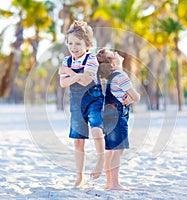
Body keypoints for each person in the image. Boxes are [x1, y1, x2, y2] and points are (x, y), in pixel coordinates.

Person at [58, 20, 105, 187]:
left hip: (93, 100)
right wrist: (76, 75)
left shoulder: (91, 58)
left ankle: (101, 160)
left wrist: (72, 75)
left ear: (87, 45)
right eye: (70, 43)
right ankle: (80, 176)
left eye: (78, 43)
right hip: (76, 104)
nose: (73, 47)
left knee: (96, 129)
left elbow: (86, 80)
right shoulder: (67, 60)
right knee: (78, 140)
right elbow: (63, 84)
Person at [97, 48, 140, 191]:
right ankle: (114, 184)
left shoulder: (111, 78)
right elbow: (137, 97)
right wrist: (132, 98)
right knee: (118, 150)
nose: (116, 52)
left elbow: (125, 96)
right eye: (113, 54)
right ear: (113, 65)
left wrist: (129, 98)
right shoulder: (121, 76)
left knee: (111, 150)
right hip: (117, 116)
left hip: (108, 115)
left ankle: (109, 183)